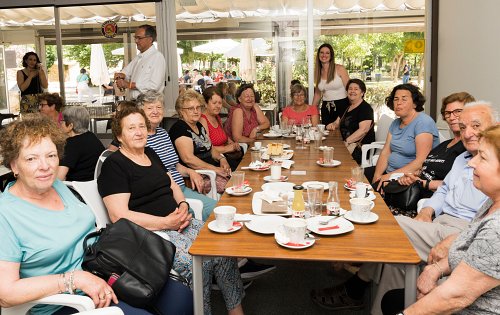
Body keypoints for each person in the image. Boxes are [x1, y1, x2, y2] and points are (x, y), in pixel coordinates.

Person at [310, 102, 497, 314]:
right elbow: (444, 190)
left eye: (476, 126)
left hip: (460, 231)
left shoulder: (491, 173)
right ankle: (364, 296)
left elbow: (484, 229)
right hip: (440, 220)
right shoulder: (463, 159)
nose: (468, 133)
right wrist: (427, 211)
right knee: (398, 257)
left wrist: (452, 243)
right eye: (463, 127)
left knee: (391, 226)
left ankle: (349, 268)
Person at [98, 106, 245, 315]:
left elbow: (173, 185)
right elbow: (118, 215)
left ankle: (235, 310)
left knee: (222, 245)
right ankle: (202, 312)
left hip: (179, 220)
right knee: (198, 260)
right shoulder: (115, 166)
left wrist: (183, 205)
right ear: (119, 135)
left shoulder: (150, 153)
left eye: (141, 126)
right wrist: (167, 223)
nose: (139, 132)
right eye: (131, 128)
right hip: (150, 235)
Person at [388, 124, 500, 315]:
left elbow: (454, 297)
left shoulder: (496, 228)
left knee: (392, 226)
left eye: (482, 157)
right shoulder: (491, 203)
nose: (472, 163)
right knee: (390, 300)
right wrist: (436, 269)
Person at [135, 91, 217, 221]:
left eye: (159, 107)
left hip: (181, 188)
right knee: (214, 213)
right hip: (166, 195)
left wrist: (190, 172)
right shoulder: (139, 139)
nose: (155, 111)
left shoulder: (162, 133)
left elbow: (176, 165)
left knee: (218, 208)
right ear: (140, 112)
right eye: (150, 108)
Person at [396, 92, 475, 199]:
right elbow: (426, 168)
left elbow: (462, 185)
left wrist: (423, 183)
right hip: (412, 192)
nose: (451, 117)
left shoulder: (471, 147)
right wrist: (411, 176)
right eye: (447, 113)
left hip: (433, 200)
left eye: (458, 112)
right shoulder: (443, 145)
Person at [368, 84, 440, 191]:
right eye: (396, 99)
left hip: (408, 177)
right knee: (357, 179)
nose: (399, 102)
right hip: (390, 171)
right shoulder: (395, 123)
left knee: (367, 194)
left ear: (415, 104)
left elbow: (421, 161)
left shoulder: (423, 122)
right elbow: (385, 152)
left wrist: (388, 177)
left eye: (404, 99)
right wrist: (377, 175)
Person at [169, 90, 231, 195]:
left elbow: (211, 149)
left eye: (198, 107)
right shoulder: (179, 128)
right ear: (181, 111)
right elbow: (188, 159)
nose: (196, 111)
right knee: (231, 188)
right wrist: (215, 169)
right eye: (190, 108)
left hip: (212, 171)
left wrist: (222, 159)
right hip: (198, 176)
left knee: (240, 181)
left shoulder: (199, 125)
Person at [329, 79, 375, 164]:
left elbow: (363, 130)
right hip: (344, 144)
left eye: (356, 89)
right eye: (350, 89)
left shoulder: (365, 108)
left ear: (362, 92)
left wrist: (346, 142)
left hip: (358, 149)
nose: (352, 91)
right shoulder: (347, 107)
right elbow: (337, 122)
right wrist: (331, 125)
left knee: (329, 157)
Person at [114, 25, 165, 100]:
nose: (136, 41)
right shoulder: (138, 57)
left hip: (148, 104)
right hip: (135, 103)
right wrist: (121, 75)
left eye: (139, 38)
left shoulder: (157, 57)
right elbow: (126, 72)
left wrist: (130, 85)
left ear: (150, 39)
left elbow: (154, 86)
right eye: (135, 38)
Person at [200, 87, 243, 171]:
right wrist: (228, 148)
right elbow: (208, 148)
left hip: (226, 156)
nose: (218, 106)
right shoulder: (202, 120)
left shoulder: (217, 117)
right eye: (214, 103)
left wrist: (233, 143)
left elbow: (224, 137)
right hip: (216, 162)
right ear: (205, 104)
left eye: (220, 103)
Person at [57, 106, 105, 181]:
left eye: (62, 121)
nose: (59, 124)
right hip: (93, 184)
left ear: (70, 126)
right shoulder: (91, 136)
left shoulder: (72, 144)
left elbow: (59, 177)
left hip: (77, 187)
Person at [311, 43, 350, 129]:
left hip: (342, 106)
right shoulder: (318, 72)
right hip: (326, 108)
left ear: (331, 55)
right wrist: (311, 112)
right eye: (321, 52)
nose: (324, 55)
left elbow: (350, 90)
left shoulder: (340, 69)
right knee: (327, 136)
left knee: (340, 136)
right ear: (318, 55)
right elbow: (317, 95)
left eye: (327, 53)